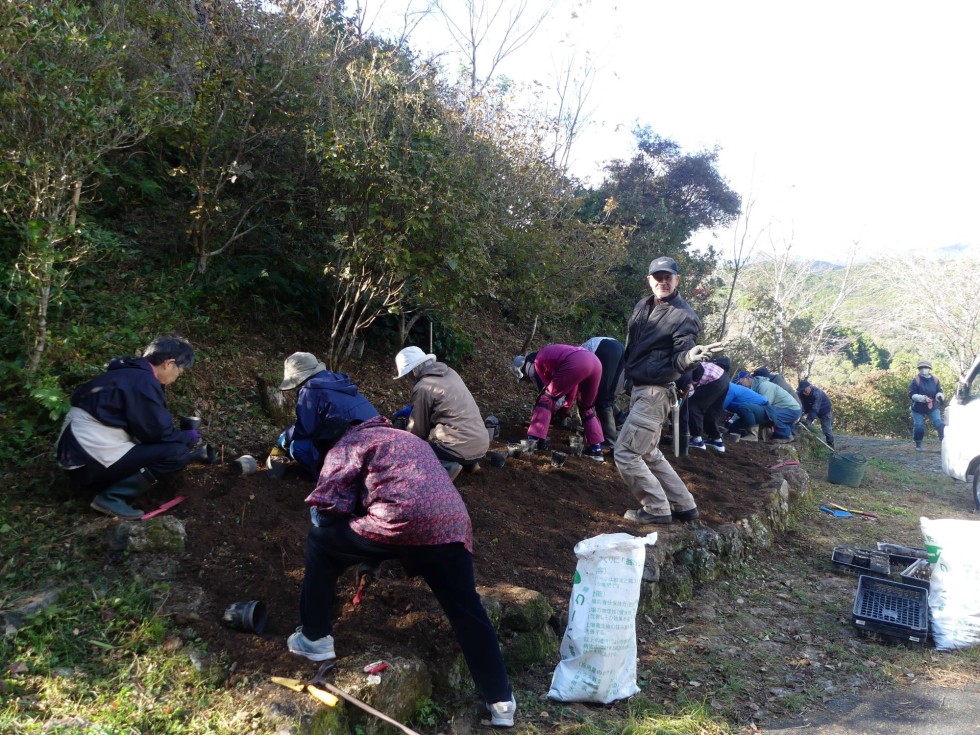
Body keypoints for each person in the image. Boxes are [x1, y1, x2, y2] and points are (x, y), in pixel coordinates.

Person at [288, 415, 517, 728]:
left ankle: (314, 637)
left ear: (329, 442)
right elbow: (403, 489)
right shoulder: (402, 438)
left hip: (399, 523)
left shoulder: (346, 446)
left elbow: (329, 508)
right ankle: (501, 701)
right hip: (450, 525)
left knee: (321, 542)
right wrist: (369, 556)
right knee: (467, 610)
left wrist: (344, 541)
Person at [613, 256, 724, 525]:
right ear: (649, 280)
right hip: (642, 388)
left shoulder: (683, 316)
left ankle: (656, 508)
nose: (662, 281)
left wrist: (690, 358)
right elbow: (634, 346)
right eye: (657, 276)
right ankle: (684, 505)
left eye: (668, 277)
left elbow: (680, 357)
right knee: (649, 452)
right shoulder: (643, 305)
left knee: (627, 453)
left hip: (655, 392)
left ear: (677, 280)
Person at [56, 336, 198, 519]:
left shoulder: (127, 374)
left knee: (163, 448)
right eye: (181, 371)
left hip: (79, 457)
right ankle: (112, 498)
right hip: (88, 462)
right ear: (169, 364)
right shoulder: (142, 381)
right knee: (176, 454)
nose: (178, 376)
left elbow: (145, 431)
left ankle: (111, 490)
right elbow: (158, 433)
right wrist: (189, 437)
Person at [393, 346, 489, 480]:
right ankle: (472, 465)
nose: (407, 379)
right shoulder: (451, 373)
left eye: (407, 375)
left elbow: (418, 432)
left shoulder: (422, 387)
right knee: (457, 430)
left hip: (456, 449)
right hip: (481, 444)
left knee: (416, 452)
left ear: (414, 371)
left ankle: (447, 466)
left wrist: (403, 437)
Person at [277, 352, 378, 477]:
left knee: (297, 447)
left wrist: (285, 437)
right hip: (377, 437)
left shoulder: (311, 390)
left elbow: (305, 429)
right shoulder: (337, 380)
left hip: (354, 444)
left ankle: (326, 476)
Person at [510, 344, 606, 461]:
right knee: (586, 407)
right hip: (595, 362)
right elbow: (572, 386)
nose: (528, 380)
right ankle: (596, 450)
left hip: (577, 361)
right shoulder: (549, 358)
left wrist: (562, 409)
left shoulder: (533, 363)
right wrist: (565, 408)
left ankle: (532, 441)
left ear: (522, 369)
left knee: (546, 398)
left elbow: (549, 394)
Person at [580, 336, 627, 446]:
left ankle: (609, 439)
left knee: (602, 396)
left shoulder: (574, 360)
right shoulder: (576, 352)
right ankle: (620, 419)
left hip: (605, 348)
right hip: (618, 347)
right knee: (608, 396)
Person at [733, 370, 802, 443]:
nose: (740, 384)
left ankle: (785, 436)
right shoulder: (755, 388)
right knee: (764, 413)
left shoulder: (764, 386)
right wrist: (733, 419)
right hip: (783, 408)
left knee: (769, 415)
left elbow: (765, 404)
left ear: (747, 378)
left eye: (741, 382)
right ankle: (788, 433)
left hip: (791, 409)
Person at [687, 360, 731, 452]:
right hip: (724, 378)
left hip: (714, 378)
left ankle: (697, 441)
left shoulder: (686, 368)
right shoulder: (696, 362)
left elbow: (689, 389)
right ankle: (717, 441)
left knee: (693, 405)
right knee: (712, 411)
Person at [909, 360, 945, 451]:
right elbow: (912, 394)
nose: (924, 369)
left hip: (932, 406)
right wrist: (922, 398)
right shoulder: (916, 380)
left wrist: (939, 396)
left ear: (929, 369)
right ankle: (918, 444)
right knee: (919, 426)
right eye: (921, 368)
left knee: (939, 423)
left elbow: (939, 391)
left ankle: (944, 443)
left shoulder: (935, 380)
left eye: (926, 368)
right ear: (919, 369)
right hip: (918, 407)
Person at [797, 379, 834, 448]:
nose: (803, 392)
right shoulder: (800, 393)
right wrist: (800, 414)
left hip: (824, 410)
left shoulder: (817, 393)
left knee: (826, 429)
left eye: (805, 390)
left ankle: (831, 445)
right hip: (810, 407)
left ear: (810, 387)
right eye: (802, 390)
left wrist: (808, 421)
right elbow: (801, 405)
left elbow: (815, 409)